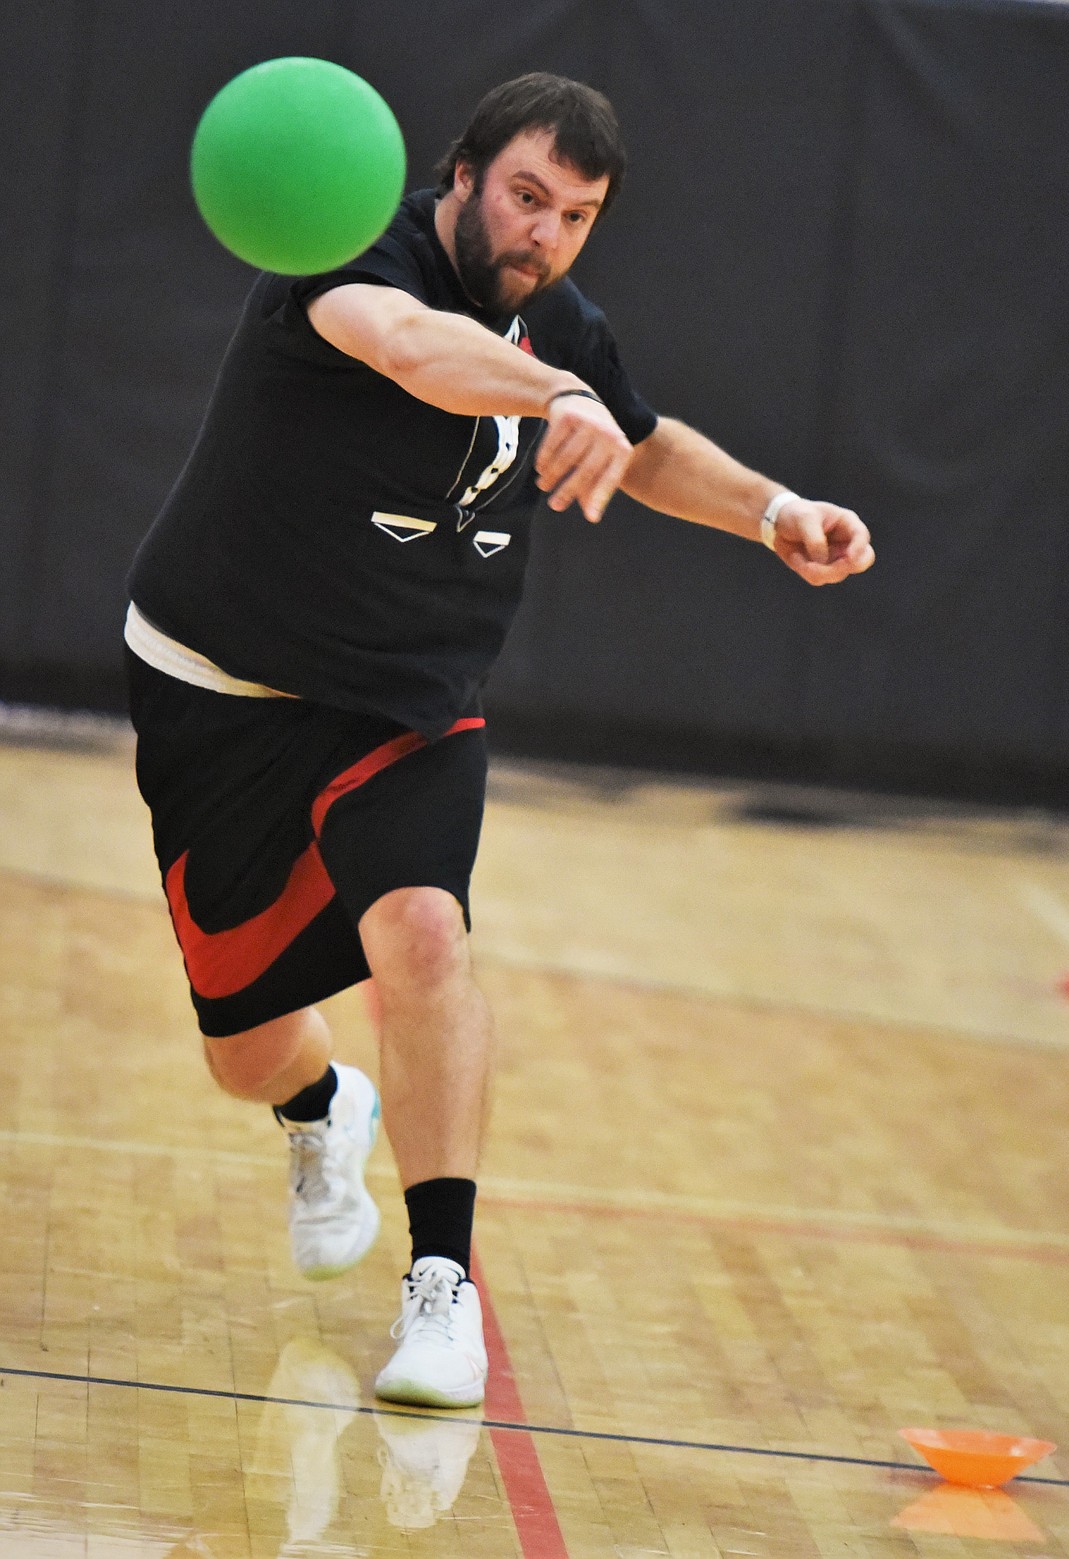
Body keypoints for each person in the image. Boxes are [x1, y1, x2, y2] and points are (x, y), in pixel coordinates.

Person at [124, 72, 874, 1412]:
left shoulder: (557, 326)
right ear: (460, 175)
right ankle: (318, 1111)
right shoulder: (346, 261)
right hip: (222, 684)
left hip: (408, 693)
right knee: (244, 1051)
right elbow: (413, 348)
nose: (543, 236)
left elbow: (638, 449)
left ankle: (441, 1287)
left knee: (420, 935)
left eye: (575, 217)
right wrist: (550, 395)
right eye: (527, 196)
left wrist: (773, 510)